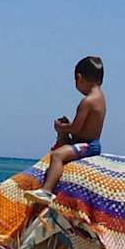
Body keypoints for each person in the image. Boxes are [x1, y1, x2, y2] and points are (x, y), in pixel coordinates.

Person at [40, 55, 108, 196]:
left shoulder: (87, 101)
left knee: (57, 155)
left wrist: (60, 127)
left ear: (79, 78)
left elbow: (75, 129)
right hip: (88, 142)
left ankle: (46, 190)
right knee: (63, 142)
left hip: (88, 146)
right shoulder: (100, 98)